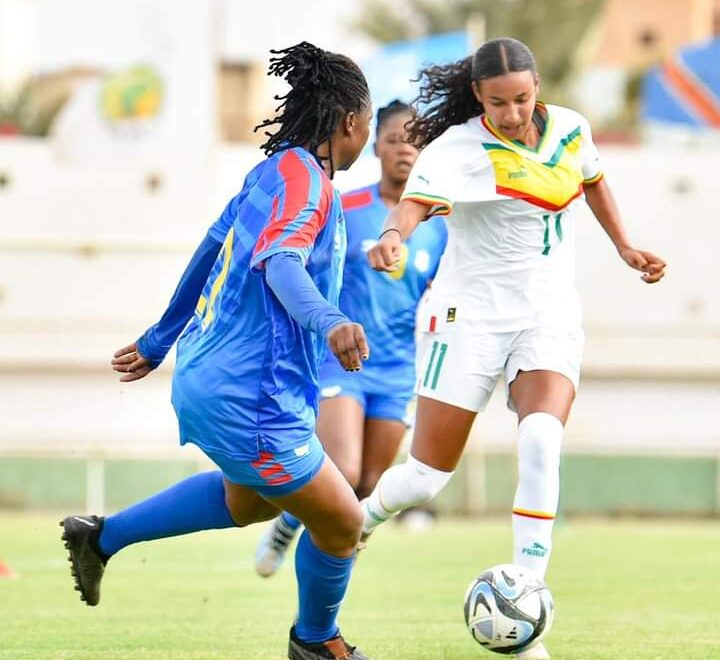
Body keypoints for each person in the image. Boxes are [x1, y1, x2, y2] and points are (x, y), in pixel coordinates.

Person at [59, 42, 375, 660]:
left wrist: (159, 340)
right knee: (342, 523)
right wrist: (330, 319)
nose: (365, 136)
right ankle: (316, 644)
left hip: (211, 375)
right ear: (348, 122)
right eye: (366, 125)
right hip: (250, 393)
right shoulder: (309, 187)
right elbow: (281, 259)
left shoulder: (271, 173)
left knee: (247, 500)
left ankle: (99, 539)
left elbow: (209, 251)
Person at [358, 38, 666, 660]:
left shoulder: (572, 129)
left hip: (546, 315)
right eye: (499, 102)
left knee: (541, 439)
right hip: (465, 316)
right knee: (424, 478)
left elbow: (595, 181)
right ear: (479, 96)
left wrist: (625, 246)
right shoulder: (457, 149)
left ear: (538, 86)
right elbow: (414, 205)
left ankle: (527, 601)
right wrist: (392, 236)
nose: (514, 113)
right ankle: (358, 519)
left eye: (523, 99)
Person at [254, 100, 448, 577]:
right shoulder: (346, 207)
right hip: (340, 361)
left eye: (416, 142)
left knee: (366, 487)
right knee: (342, 468)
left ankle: (301, 540)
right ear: (376, 145)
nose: (406, 150)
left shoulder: (440, 226)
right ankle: (290, 533)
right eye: (395, 140)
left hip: (398, 367)